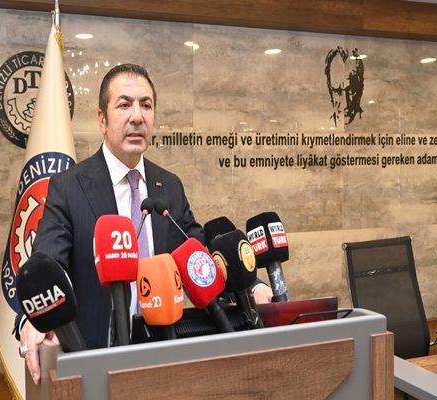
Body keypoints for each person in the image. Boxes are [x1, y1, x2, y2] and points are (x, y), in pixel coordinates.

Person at [17, 63, 273, 384]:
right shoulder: (69, 187)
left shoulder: (169, 185)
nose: (137, 116)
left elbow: (197, 254)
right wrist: (34, 320)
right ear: (102, 120)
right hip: (98, 359)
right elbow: (47, 266)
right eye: (124, 105)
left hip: (166, 353)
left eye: (146, 105)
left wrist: (251, 285)